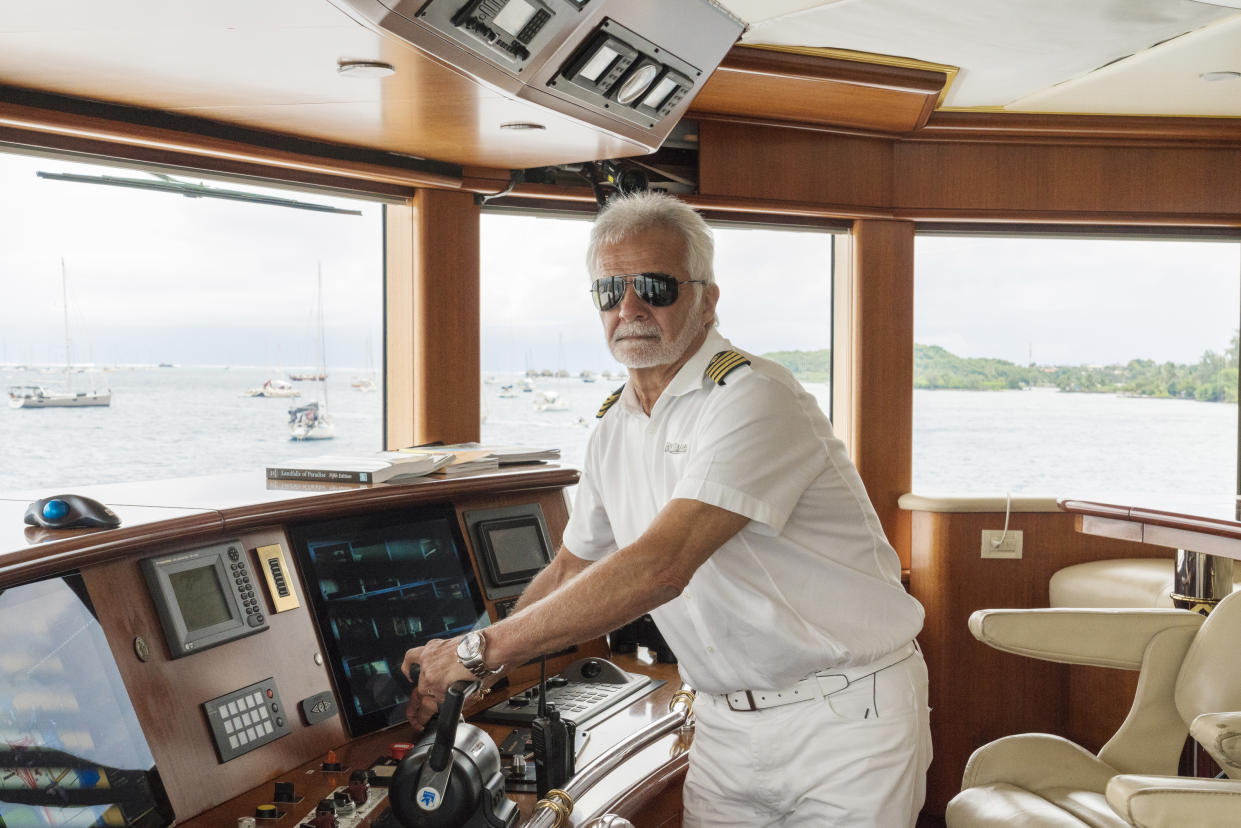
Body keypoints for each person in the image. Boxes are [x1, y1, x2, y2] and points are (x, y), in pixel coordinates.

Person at [403, 191, 932, 826]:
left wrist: (474, 651)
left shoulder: (754, 398)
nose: (629, 308)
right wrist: (477, 672)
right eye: (609, 290)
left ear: (707, 299)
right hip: (722, 726)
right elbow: (574, 568)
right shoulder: (612, 428)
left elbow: (661, 565)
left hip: (843, 717)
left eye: (654, 286)